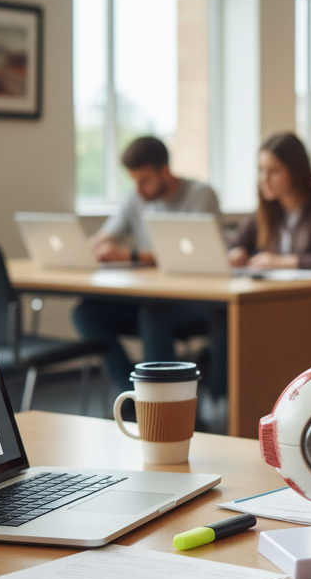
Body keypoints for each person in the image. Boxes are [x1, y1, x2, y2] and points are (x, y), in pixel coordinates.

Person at [73, 136, 225, 391]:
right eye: (134, 182)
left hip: (196, 299)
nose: (139, 190)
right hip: (150, 294)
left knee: (153, 315)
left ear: (164, 170)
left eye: (145, 181)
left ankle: (165, 401)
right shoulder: (136, 198)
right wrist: (81, 251)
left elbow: (195, 254)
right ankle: (132, 394)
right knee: (86, 313)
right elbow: (104, 237)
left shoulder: (200, 195)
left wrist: (130, 256)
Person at [228, 132, 311, 270]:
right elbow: (231, 245)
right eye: (261, 170)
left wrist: (285, 262)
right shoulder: (269, 208)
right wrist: (235, 253)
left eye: (273, 171)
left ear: (295, 171)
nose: (264, 179)